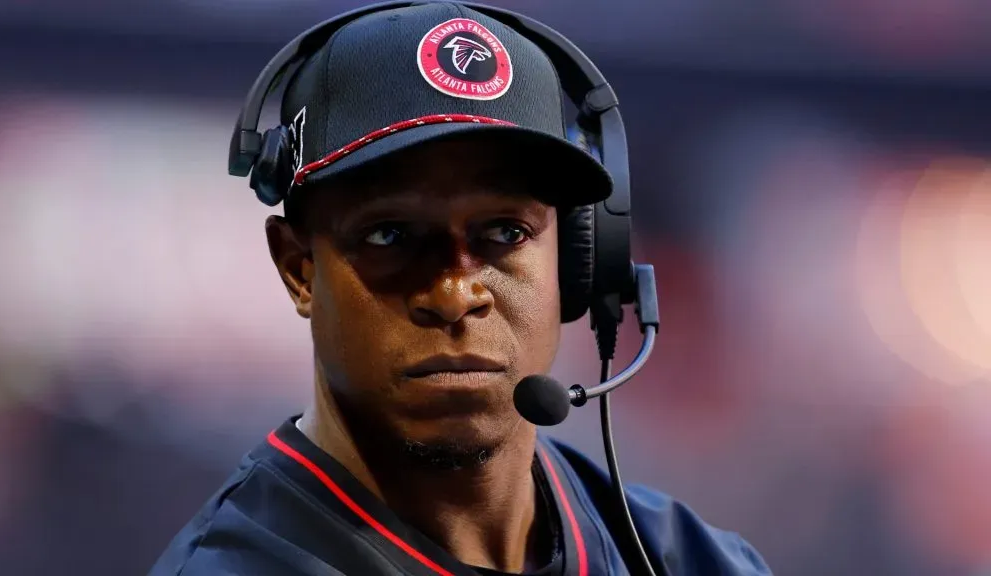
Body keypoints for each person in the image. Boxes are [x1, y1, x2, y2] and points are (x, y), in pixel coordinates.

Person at [150, 3, 772, 575]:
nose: (454, 292)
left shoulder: (696, 562)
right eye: (391, 235)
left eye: (505, 231)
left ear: (579, 261)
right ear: (298, 268)